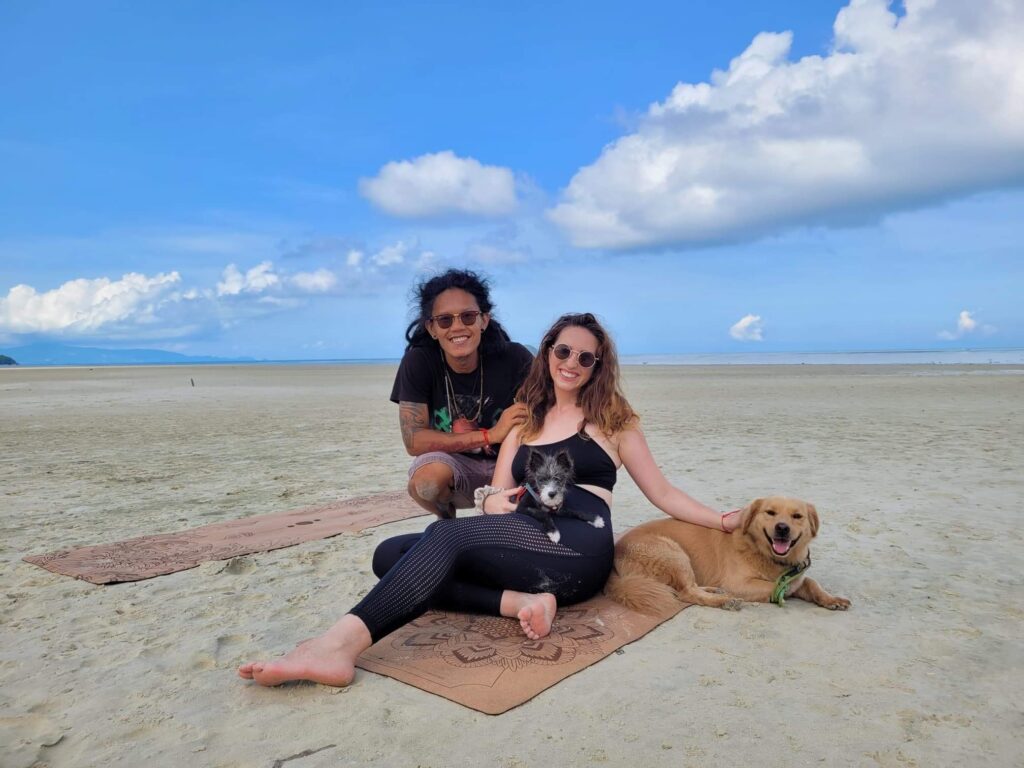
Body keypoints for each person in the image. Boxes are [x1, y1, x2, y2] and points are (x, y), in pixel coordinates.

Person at [239, 312, 739, 688]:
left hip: (578, 541)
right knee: (388, 554)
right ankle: (522, 601)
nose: (572, 364)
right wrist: (494, 501)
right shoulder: (525, 420)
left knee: (444, 535)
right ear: (548, 352)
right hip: (521, 536)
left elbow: (663, 491)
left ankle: (336, 647)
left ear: (598, 366)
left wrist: (721, 519)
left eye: (586, 357)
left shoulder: (615, 420)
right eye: (563, 351)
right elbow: (495, 493)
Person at [391, 269, 533, 519]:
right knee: (426, 482)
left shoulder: (514, 358)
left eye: (468, 317)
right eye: (445, 320)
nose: (457, 327)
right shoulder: (419, 362)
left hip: (510, 463)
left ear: (484, 320)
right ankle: (448, 524)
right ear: (432, 328)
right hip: (455, 467)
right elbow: (414, 441)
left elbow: (545, 415)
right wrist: (490, 435)